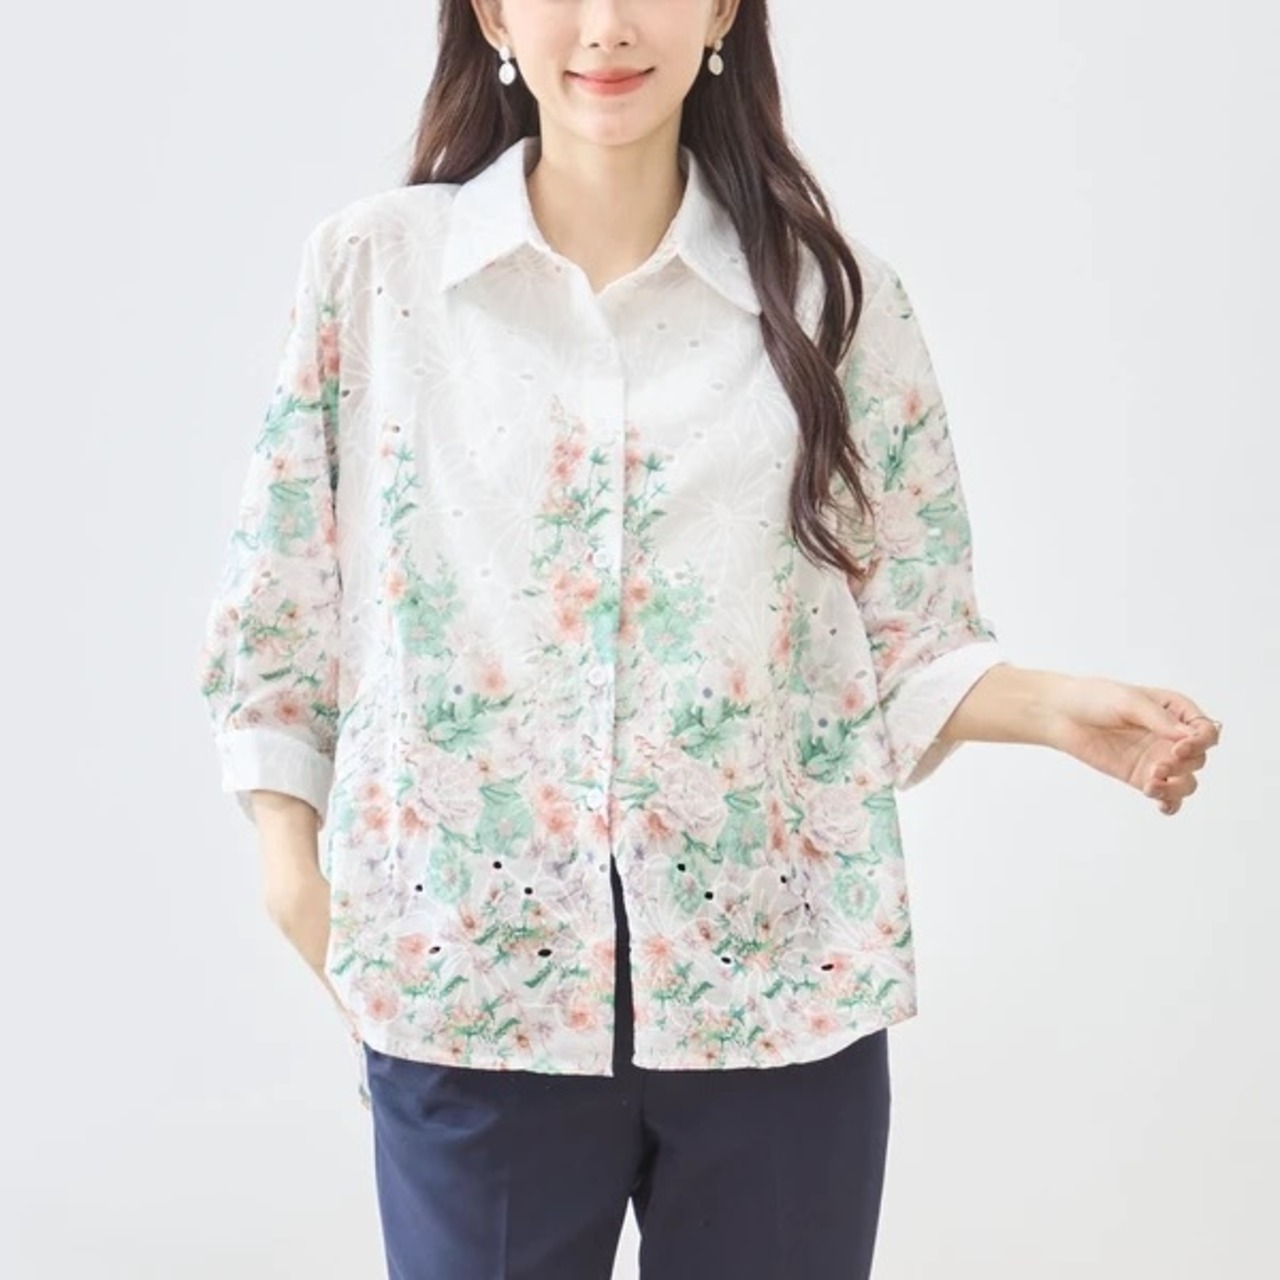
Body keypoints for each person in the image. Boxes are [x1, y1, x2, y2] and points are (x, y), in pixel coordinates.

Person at [195, 2, 1222, 1276]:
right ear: (494, 13)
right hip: (470, 989)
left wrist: (1054, 708)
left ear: (723, 8)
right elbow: (283, 598)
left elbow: (902, 634)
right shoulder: (374, 272)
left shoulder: (829, 299)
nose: (607, 27)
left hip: (776, 993)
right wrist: (288, 866)